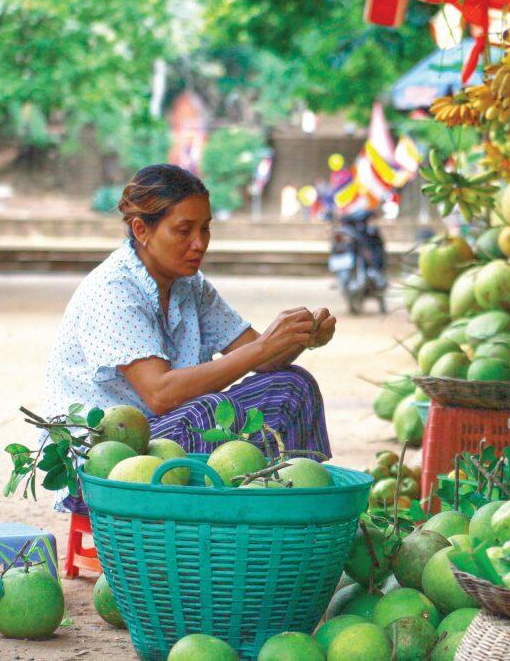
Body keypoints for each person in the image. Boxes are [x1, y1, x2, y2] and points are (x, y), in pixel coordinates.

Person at [44, 164, 336, 511]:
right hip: (101, 465)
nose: (199, 244)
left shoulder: (190, 285)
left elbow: (263, 357)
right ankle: (229, 521)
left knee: (293, 386)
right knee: (206, 412)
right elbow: (161, 394)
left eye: (206, 229)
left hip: (169, 433)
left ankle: (298, 510)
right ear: (141, 230)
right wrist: (263, 347)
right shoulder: (114, 290)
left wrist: (301, 337)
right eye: (184, 230)